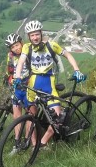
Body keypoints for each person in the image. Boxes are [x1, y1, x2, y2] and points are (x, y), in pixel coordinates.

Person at [12, 20, 86, 150]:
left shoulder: (51, 45)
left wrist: (76, 70)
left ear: (41, 33)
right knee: (31, 116)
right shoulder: (27, 47)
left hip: (48, 83)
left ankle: (43, 142)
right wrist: (17, 77)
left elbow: (68, 55)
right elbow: (21, 62)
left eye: (37, 34)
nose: (35, 37)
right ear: (29, 36)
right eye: (32, 35)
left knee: (58, 118)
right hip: (33, 83)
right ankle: (33, 145)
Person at [4, 32, 29, 141]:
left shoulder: (28, 52)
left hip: (28, 86)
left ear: (21, 43)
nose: (15, 48)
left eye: (17, 45)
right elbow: (10, 70)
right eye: (12, 47)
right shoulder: (10, 56)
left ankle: (28, 139)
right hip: (17, 87)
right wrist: (8, 78)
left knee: (29, 115)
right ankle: (17, 140)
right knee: (16, 116)